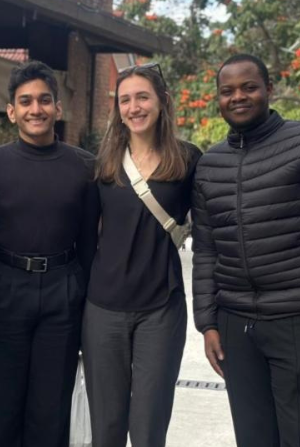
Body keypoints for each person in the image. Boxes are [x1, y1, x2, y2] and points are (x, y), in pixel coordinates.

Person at [191, 53, 300, 447]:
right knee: (252, 438)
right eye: (227, 90)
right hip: (235, 322)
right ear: (217, 98)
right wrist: (208, 323)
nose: (238, 97)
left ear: (269, 89)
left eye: (249, 87)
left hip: (299, 319)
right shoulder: (210, 164)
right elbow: (206, 248)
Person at [0, 61, 100, 447]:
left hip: (63, 293)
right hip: (3, 290)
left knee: (51, 409)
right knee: (1, 407)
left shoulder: (84, 167)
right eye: (25, 101)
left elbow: (90, 246)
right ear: (12, 111)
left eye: (44, 100)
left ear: (58, 108)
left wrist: (87, 304)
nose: (35, 109)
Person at [83, 62, 201, 447]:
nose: (134, 107)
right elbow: (86, 237)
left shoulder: (188, 161)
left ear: (163, 101)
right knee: (107, 428)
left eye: (142, 97)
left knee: (149, 429)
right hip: (103, 309)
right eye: (125, 100)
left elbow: (212, 237)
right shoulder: (103, 164)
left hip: (161, 308)